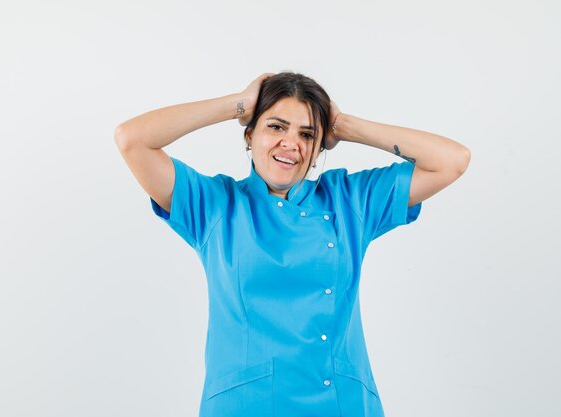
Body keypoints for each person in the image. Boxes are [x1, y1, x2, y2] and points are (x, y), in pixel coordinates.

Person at [114, 72, 471, 417]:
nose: (291, 143)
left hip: (340, 403)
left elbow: (452, 161)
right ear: (249, 135)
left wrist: (344, 125)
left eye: (307, 134)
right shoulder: (215, 205)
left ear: (319, 149)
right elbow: (131, 139)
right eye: (276, 126)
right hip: (246, 406)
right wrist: (237, 105)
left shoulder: (349, 201)